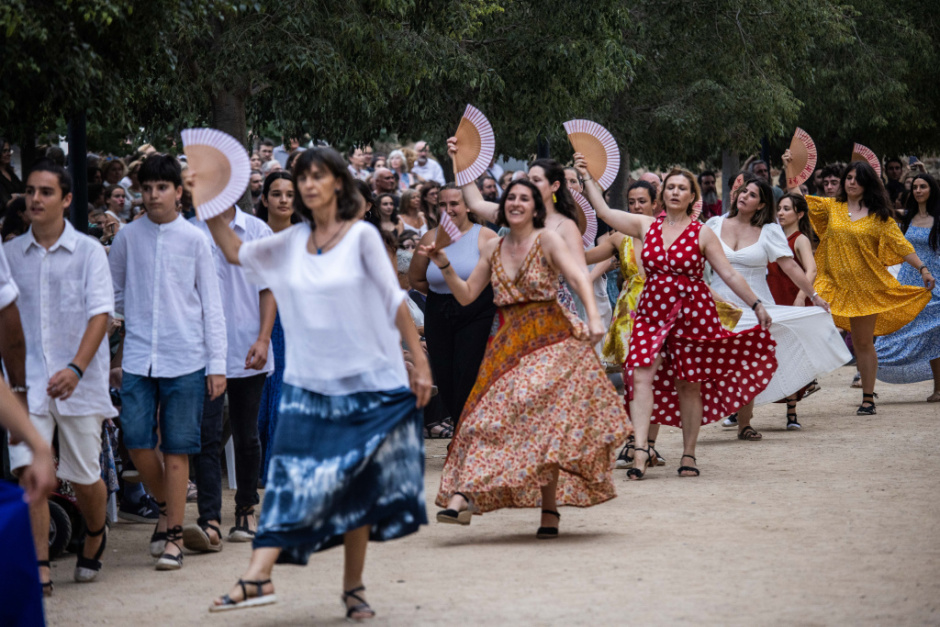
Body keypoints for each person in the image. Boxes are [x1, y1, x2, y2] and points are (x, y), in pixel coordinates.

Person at [205, 147, 431, 620]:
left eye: (318, 176)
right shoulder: (288, 242)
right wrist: (207, 200)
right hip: (307, 384)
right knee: (290, 478)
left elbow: (394, 299)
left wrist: (419, 363)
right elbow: (232, 251)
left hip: (366, 384)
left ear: (338, 184)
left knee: (356, 488)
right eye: (302, 177)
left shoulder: (362, 238)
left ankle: (351, 588)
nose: (308, 184)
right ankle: (258, 574)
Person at [421, 179, 629, 536]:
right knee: (478, 421)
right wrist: (444, 265)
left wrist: (594, 317)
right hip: (507, 342)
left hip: (549, 339)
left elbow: (578, 275)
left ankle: (549, 511)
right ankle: (462, 496)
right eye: (511, 197)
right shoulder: (493, 248)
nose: (516, 202)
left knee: (544, 426)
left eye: (524, 198)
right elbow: (468, 296)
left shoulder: (547, 239)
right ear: (503, 207)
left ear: (536, 207)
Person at [580, 157, 775, 478]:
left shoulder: (702, 233)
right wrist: (587, 178)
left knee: (688, 385)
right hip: (650, 311)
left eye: (681, 188)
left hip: (692, 312)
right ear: (662, 196)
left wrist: (756, 305)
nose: (674, 192)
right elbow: (604, 212)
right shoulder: (646, 225)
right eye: (670, 187)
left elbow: (727, 273)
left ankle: (688, 453)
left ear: (691, 197)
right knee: (639, 377)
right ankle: (641, 449)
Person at [109, 154, 228, 570]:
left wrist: (217, 364)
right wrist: (128, 323)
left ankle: (174, 535)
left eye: (162, 187)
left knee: (178, 449)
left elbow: (212, 305)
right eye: (147, 188)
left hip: (188, 357)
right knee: (138, 441)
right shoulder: (127, 237)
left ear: (179, 192)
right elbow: (116, 294)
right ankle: (166, 507)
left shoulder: (195, 239)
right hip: (140, 356)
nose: (153, 195)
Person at [5, 160, 116, 592]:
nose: (35, 199)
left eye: (46, 192)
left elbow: (100, 314)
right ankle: (40, 565)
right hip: (24, 383)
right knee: (30, 470)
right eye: (30, 191)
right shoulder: (9, 255)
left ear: (66, 200)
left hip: (79, 381)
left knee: (86, 474)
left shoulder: (88, 251)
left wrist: (76, 368)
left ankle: (94, 532)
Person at [782, 151, 935, 415]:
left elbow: (901, 245)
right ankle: (800, 386)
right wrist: (789, 168)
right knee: (809, 327)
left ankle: (867, 397)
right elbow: (798, 198)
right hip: (832, 285)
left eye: (857, 178)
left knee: (864, 343)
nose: (851, 182)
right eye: (848, 177)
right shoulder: (833, 207)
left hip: (867, 289)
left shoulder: (880, 216)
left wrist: (922, 268)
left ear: (868, 183)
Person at [705, 178, 849, 436]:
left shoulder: (769, 231)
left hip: (755, 306)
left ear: (761, 204)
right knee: (717, 364)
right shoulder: (714, 224)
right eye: (743, 191)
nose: (744, 196)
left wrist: (813, 296)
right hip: (717, 304)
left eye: (752, 195)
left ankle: (745, 424)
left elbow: (791, 267)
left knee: (746, 365)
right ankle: (713, 413)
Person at [185, 204, 276, 553]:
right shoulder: (191, 230)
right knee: (206, 435)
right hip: (203, 350)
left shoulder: (256, 231)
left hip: (247, 345)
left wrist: (264, 338)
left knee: (246, 433)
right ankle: (209, 518)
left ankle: (246, 508)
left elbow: (268, 288)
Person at [448, 138, 588, 315]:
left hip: (552, 312)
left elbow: (580, 277)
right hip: (513, 313)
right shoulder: (516, 216)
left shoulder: (564, 224)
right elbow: (475, 203)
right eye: (529, 179)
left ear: (555, 186)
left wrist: (593, 318)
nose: (530, 184)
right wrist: (460, 161)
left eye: (537, 180)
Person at [409, 185, 497, 435]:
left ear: (468, 205)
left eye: (454, 203)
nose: (449, 210)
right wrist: (443, 291)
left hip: (477, 310)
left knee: (467, 373)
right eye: (442, 205)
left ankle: (466, 434)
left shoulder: (485, 237)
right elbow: (416, 280)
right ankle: (461, 430)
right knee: (445, 374)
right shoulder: (430, 238)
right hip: (439, 310)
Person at [875, 173, 940, 401]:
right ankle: (869, 375)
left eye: (923, 186)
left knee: (935, 334)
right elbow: (883, 211)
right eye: (915, 187)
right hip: (909, 281)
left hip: (935, 280)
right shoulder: (907, 217)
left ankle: (938, 389)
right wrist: (876, 186)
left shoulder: (939, 218)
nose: (918, 190)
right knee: (895, 328)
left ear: (932, 189)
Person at [254, 172, 295, 480]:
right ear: (265, 198)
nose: (283, 200)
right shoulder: (251, 235)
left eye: (289, 194)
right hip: (253, 325)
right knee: (257, 404)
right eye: (277, 193)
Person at [0, 137, 24, 208]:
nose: (8, 154)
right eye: (4, 151)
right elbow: (7, 202)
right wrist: (19, 195)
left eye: (9, 150)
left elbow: (25, 192)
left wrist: (16, 196)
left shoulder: (10, 172)